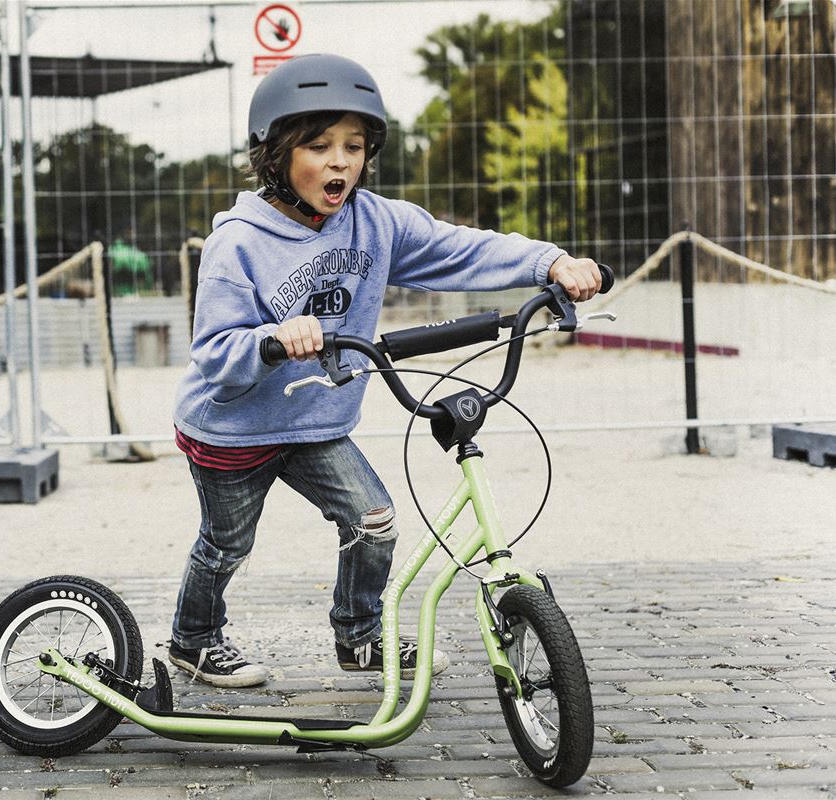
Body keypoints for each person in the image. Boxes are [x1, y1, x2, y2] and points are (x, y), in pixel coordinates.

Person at [168, 54, 602, 688]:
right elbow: (214, 351)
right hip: (234, 429)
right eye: (318, 145)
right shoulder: (239, 244)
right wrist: (270, 340)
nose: (340, 160)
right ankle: (194, 639)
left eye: (354, 145)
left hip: (316, 421)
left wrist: (549, 263)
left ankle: (360, 637)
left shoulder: (374, 221)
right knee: (226, 544)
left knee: (374, 521)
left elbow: (459, 248)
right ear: (276, 155)